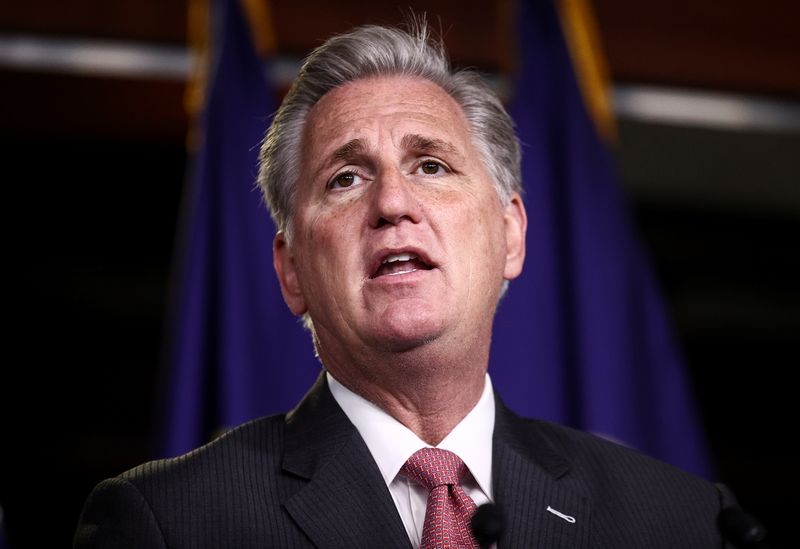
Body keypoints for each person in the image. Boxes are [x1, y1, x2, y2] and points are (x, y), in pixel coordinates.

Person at [74, 21, 733, 549]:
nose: (393, 202)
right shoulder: (170, 524)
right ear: (291, 269)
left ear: (511, 236)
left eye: (431, 164)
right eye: (345, 178)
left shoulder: (682, 523)